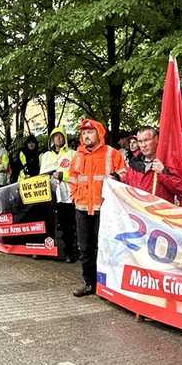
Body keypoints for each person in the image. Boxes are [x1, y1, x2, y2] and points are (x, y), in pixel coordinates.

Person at [69, 118, 127, 296]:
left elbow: (124, 174)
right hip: (82, 208)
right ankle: (89, 283)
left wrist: (117, 177)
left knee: (106, 247)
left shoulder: (112, 153)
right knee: (85, 248)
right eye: (84, 133)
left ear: (99, 133)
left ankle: (107, 285)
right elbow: (72, 179)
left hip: (105, 209)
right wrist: (74, 196)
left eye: (90, 132)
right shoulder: (78, 155)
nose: (86, 136)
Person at [40, 130, 79, 263]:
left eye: (61, 136)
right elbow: (41, 175)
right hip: (49, 194)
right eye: (55, 136)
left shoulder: (72, 154)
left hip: (67, 195)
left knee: (68, 224)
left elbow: (77, 175)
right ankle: (46, 249)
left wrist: (63, 176)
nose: (58, 138)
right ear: (51, 139)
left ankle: (70, 252)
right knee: (47, 223)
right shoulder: (46, 156)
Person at [122, 126, 182, 204]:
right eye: (140, 141)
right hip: (138, 212)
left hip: (160, 213)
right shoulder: (133, 165)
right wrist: (116, 178)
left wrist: (164, 173)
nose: (143, 145)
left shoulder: (168, 162)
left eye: (146, 140)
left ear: (156, 139)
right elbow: (126, 189)